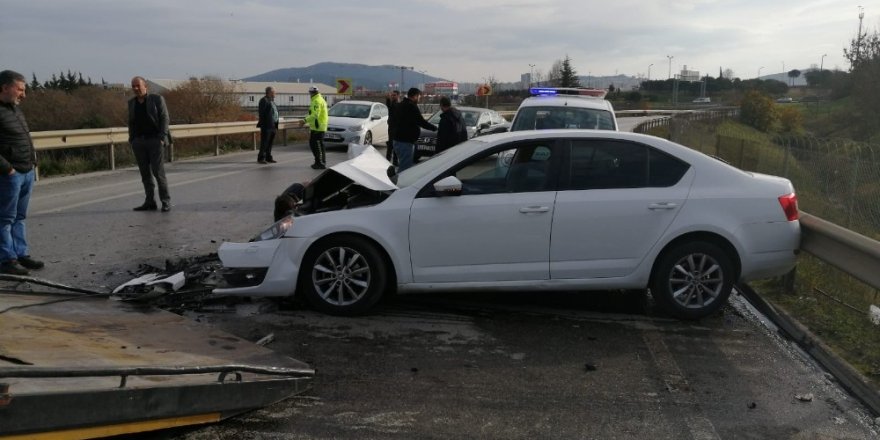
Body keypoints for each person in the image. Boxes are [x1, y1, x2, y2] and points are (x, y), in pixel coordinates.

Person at [0, 70, 43, 275]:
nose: (23, 95)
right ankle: (7, 259)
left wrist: (33, 160)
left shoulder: (15, 109)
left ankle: (21, 254)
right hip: (9, 174)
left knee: (19, 216)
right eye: (20, 89)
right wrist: (7, 168)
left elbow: (24, 137)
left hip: (25, 171)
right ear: (5, 87)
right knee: (5, 218)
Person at [128, 76, 172, 212]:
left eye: (138, 85)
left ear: (145, 86)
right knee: (145, 174)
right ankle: (150, 202)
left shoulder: (156, 99)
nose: (135, 88)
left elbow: (165, 117)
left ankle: (165, 201)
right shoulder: (131, 102)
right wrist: (132, 139)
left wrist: (161, 137)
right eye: (133, 86)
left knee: (158, 172)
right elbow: (131, 122)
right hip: (139, 142)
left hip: (155, 140)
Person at [393, 87, 436, 171]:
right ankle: (400, 183)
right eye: (419, 96)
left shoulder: (400, 105)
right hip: (405, 142)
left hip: (397, 140)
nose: (419, 98)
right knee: (405, 168)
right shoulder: (411, 106)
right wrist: (434, 128)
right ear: (415, 96)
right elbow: (421, 122)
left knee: (403, 164)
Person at [304, 86, 328, 169]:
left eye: (310, 93)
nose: (310, 94)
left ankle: (321, 163)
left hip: (318, 127)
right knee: (314, 144)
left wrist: (304, 120)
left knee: (317, 145)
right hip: (317, 126)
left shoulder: (316, 101)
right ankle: (318, 161)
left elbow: (315, 115)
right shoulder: (319, 99)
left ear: (312, 93)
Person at [256, 86, 279, 164]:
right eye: (274, 92)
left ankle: (268, 157)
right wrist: (264, 124)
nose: (275, 94)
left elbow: (274, 113)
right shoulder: (264, 100)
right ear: (270, 92)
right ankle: (261, 158)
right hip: (267, 126)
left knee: (270, 143)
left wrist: (275, 124)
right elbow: (261, 114)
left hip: (273, 125)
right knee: (264, 142)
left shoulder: (272, 101)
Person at [384, 90, 400, 164]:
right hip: (391, 127)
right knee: (391, 144)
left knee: (393, 145)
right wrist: (388, 99)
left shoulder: (398, 104)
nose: (393, 96)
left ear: (398, 96)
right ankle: (389, 160)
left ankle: (393, 161)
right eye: (392, 95)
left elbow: (390, 108)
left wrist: (388, 100)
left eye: (394, 95)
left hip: (396, 128)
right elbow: (389, 108)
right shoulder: (393, 103)